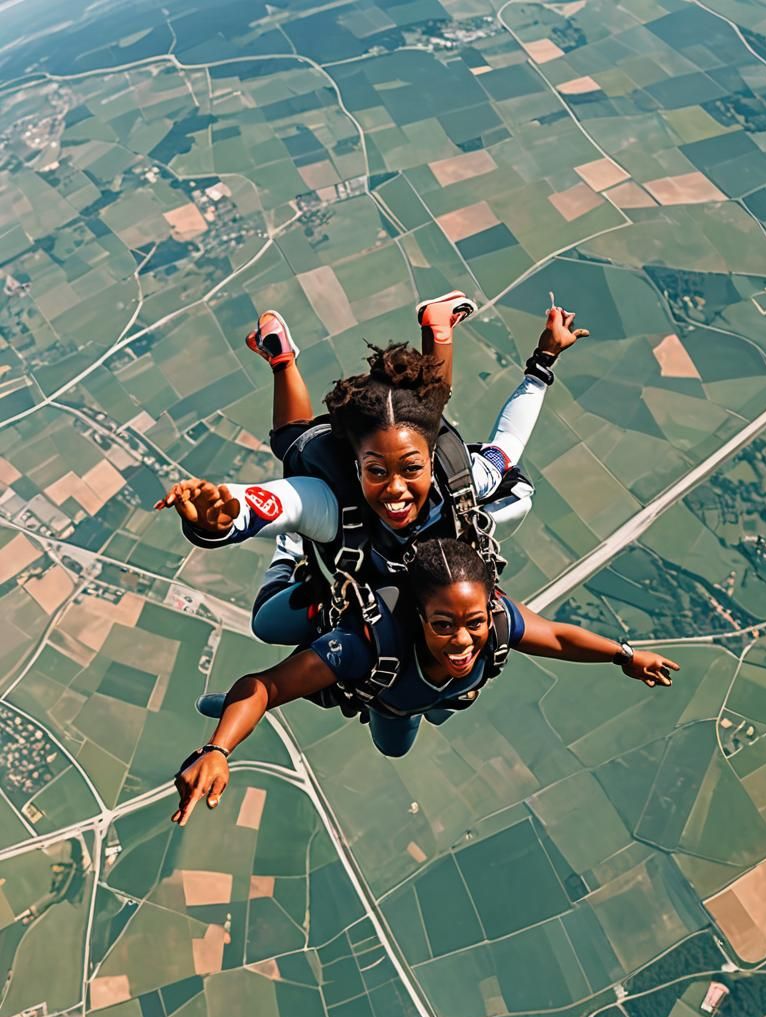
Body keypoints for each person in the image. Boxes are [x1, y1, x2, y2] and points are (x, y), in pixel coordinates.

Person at [156, 301, 588, 645]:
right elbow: (273, 503)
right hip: (337, 532)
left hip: (421, 473)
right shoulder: (328, 501)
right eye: (376, 471)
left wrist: (545, 359)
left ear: (432, 460)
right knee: (269, 624)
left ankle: (435, 330)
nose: (396, 490)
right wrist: (226, 518)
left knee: (427, 419)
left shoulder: (460, 479)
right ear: (354, 464)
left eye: (411, 470)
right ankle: (283, 362)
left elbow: (507, 449)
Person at [171, 539, 679, 825]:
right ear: (416, 617)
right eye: (443, 625)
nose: (463, 640)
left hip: (423, 698)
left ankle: (428, 702)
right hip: (385, 694)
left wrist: (625, 655)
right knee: (392, 734)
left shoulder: (498, 619)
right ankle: (286, 558)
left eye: (473, 621)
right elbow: (267, 686)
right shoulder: (362, 645)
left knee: (426, 715)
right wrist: (218, 750)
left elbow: (560, 638)